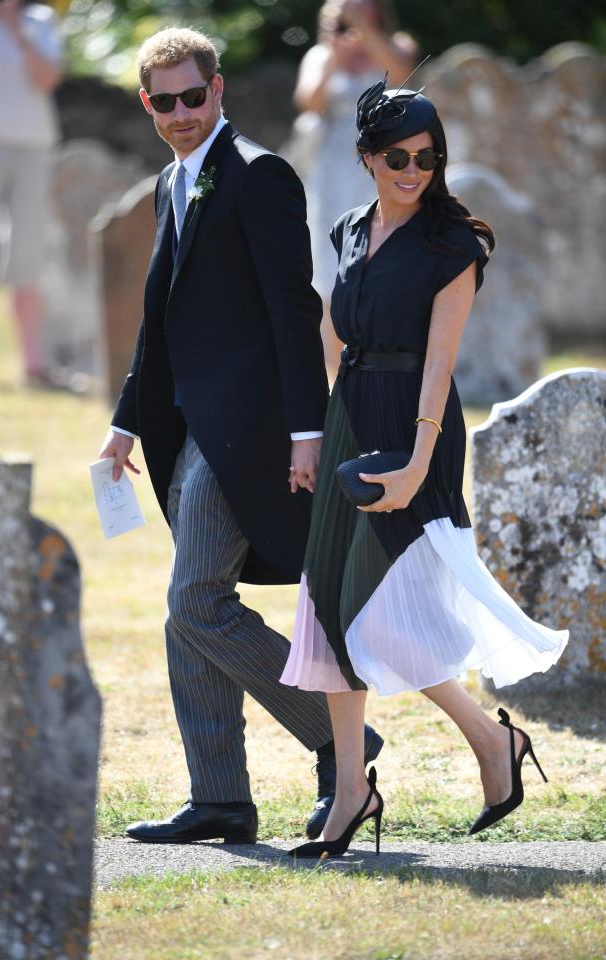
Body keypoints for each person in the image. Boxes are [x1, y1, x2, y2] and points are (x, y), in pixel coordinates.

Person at [99, 27, 383, 846]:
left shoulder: (260, 176)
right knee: (187, 609)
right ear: (148, 106)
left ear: (217, 90)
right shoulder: (169, 183)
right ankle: (220, 795)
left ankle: (342, 738)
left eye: (196, 96)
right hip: (187, 430)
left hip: (255, 430)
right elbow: (161, 324)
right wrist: (124, 425)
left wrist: (306, 433)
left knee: (194, 601)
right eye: (167, 102)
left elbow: (298, 313)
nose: (183, 113)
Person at [281, 79, 569, 857]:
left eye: (428, 157)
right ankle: (350, 794)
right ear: (366, 157)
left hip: (418, 430)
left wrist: (413, 463)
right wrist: (315, 437)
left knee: (385, 607)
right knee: (330, 609)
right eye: (399, 156)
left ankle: (489, 741)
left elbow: (440, 364)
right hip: (350, 424)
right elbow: (334, 342)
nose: (414, 169)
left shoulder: (454, 245)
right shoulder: (345, 229)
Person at [293, 0, 417, 378]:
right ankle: (338, 372)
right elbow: (308, 102)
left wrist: (367, 32)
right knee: (331, 267)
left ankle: (384, 363)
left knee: (385, 257)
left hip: (385, 166)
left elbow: (403, 76)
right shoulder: (320, 55)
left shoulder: (397, 44)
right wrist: (334, 51)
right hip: (333, 169)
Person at [0, 0, 62, 385]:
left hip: (33, 146)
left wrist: (17, 32)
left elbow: (47, 79)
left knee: (27, 251)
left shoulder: (41, 21)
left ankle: (34, 365)